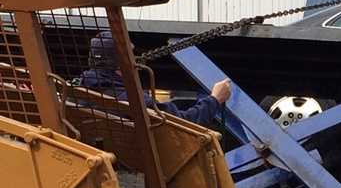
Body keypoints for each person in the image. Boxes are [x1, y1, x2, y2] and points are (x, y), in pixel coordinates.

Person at [79, 30, 230, 126]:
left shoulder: (79, 91)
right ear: (123, 63)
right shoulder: (136, 100)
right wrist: (215, 99)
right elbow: (184, 123)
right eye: (131, 56)